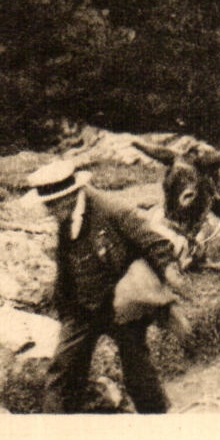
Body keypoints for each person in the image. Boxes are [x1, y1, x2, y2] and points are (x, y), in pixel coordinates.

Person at [30, 160, 188, 413]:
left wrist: (170, 276)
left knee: (138, 372)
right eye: (48, 205)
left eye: (53, 205)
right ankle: (54, 432)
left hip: (120, 304)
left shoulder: (112, 210)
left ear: (69, 197)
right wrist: (64, 306)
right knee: (63, 372)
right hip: (81, 308)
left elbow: (154, 242)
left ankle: (160, 424)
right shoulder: (66, 219)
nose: (50, 211)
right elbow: (67, 264)